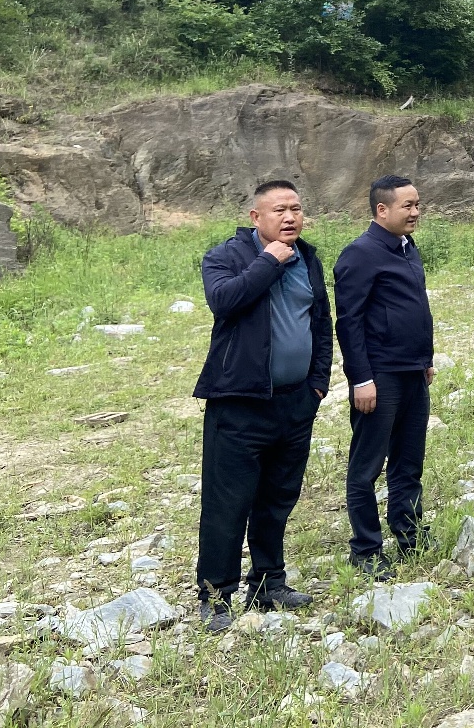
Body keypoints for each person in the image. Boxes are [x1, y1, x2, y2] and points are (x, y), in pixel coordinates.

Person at [194, 179, 332, 632]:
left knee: (278, 499)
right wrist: (268, 261)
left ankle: (269, 583)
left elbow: (320, 321)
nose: (290, 217)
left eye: (296, 208)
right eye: (279, 210)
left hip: (295, 404)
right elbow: (225, 301)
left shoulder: (309, 257)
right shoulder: (225, 257)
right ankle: (216, 595)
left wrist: (317, 383)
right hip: (239, 404)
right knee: (227, 503)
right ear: (257, 217)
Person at [334, 176, 435, 578]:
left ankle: (409, 532)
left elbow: (416, 310)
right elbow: (349, 322)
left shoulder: (408, 249)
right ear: (381, 210)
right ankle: (366, 549)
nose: (414, 212)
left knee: (408, 461)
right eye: (407, 206)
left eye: (417, 205)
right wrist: (361, 379)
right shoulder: (360, 254)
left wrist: (425, 359)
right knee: (367, 466)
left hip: (412, 371)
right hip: (379, 377)